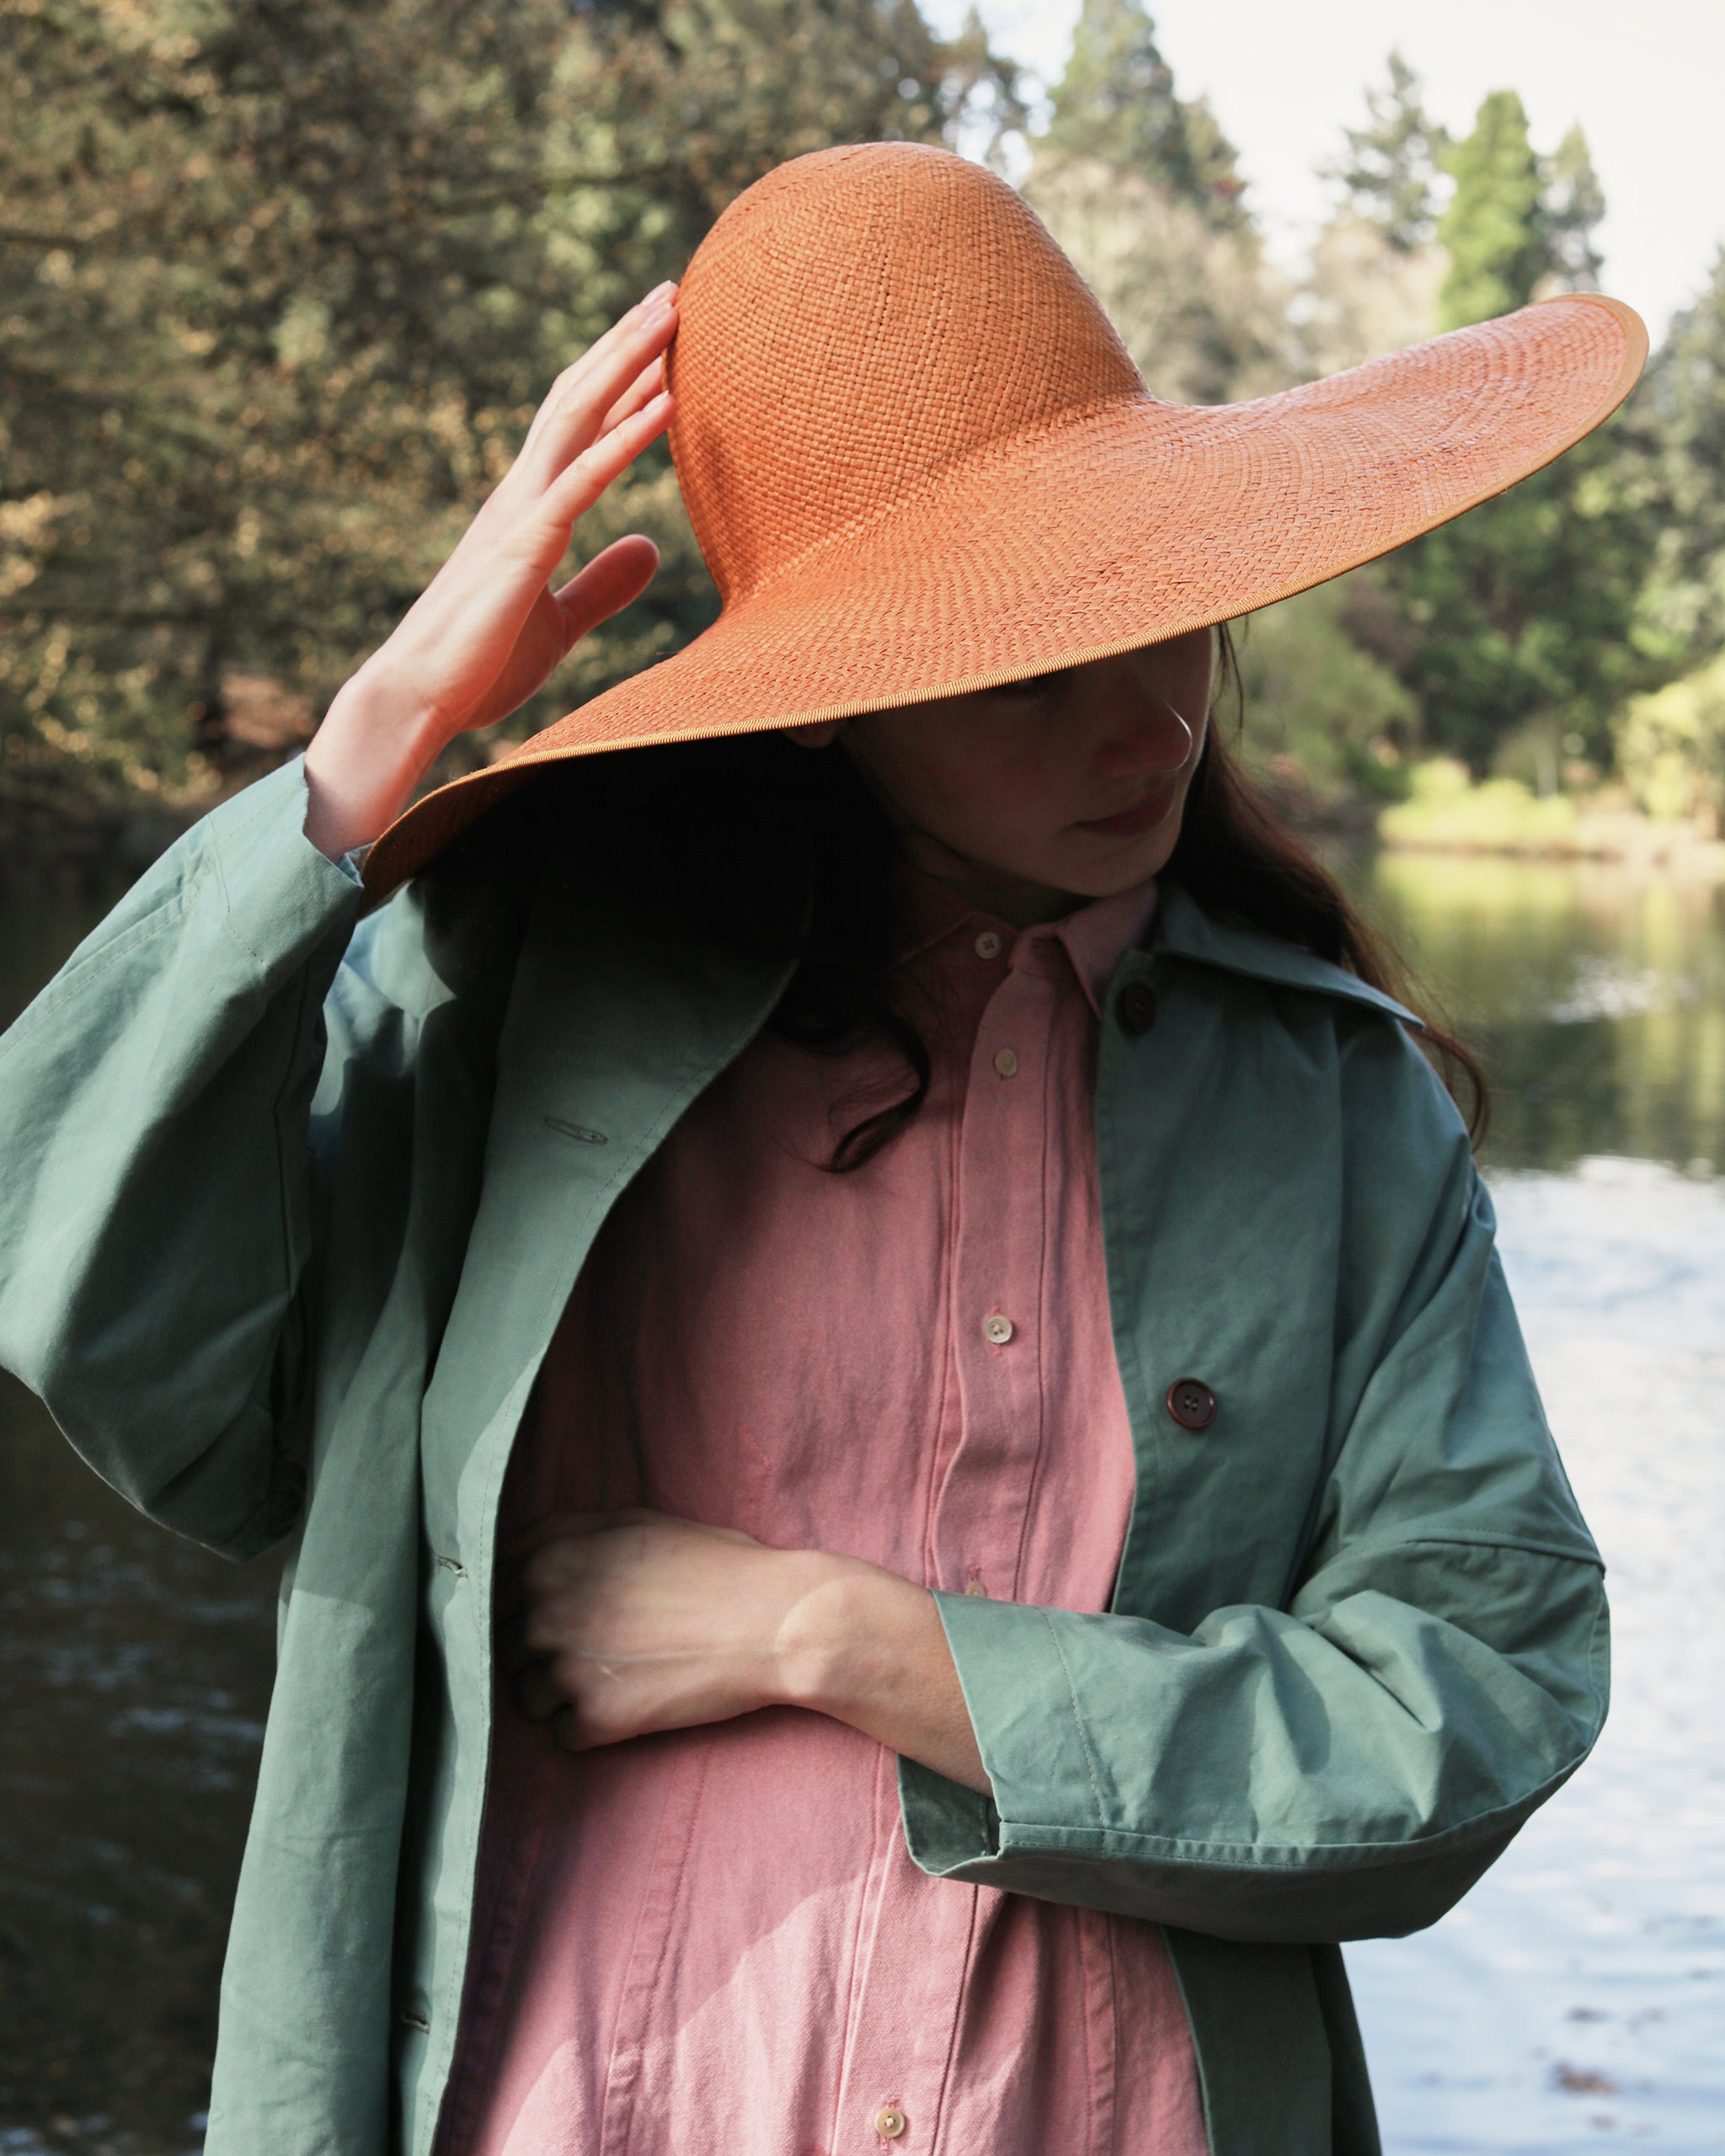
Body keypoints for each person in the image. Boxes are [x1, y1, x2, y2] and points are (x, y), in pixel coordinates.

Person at [0, 145, 1642, 2156]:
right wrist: (368, 754)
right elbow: (102, 1317)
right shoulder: (511, 1010)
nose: (1148, 723)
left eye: (1171, 617)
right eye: (1033, 666)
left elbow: (1474, 1700)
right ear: (825, 702)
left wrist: (838, 1635)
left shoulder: (1334, 1106)